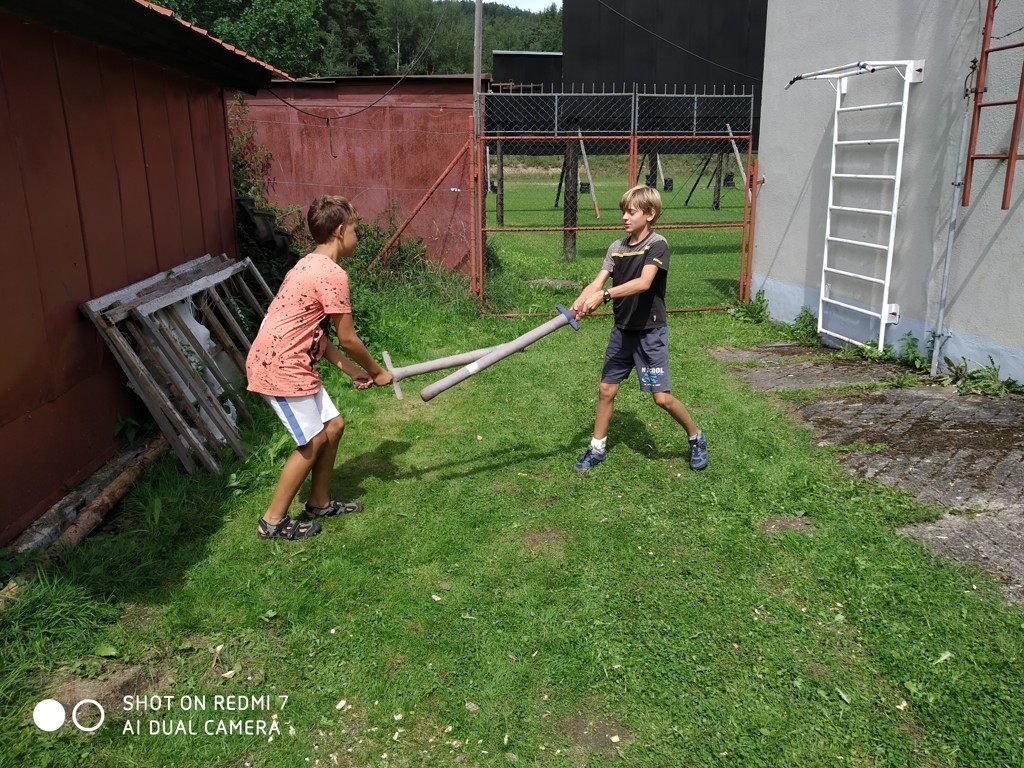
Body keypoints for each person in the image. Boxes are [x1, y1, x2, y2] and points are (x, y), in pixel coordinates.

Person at [246, 194, 393, 540]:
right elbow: (349, 339)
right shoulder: (331, 274)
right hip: (279, 366)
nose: (358, 236)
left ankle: (319, 500)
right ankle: (272, 521)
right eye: (356, 229)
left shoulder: (306, 264)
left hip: (292, 360)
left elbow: (314, 333)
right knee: (312, 441)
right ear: (341, 231)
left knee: (334, 426)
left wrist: (349, 370)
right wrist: (376, 371)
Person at [569, 184, 708, 472]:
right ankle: (597, 449)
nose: (625, 217)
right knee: (606, 389)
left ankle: (696, 437)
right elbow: (597, 282)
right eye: (623, 212)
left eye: (631, 212)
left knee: (662, 398)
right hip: (622, 331)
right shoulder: (616, 248)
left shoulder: (657, 245)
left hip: (650, 333)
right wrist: (581, 301)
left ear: (650, 214)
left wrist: (605, 295)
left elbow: (644, 283)